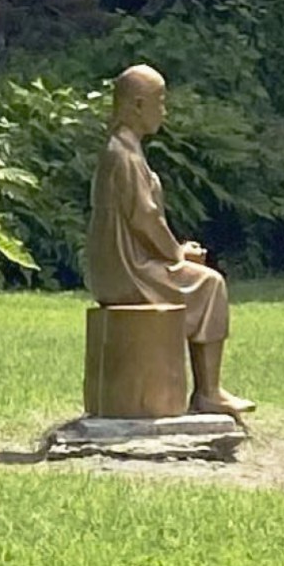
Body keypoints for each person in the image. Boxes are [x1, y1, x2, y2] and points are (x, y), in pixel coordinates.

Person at [85, 64, 255, 419]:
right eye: (159, 101)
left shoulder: (121, 150)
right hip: (130, 271)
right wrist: (179, 256)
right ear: (137, 105)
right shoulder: (123, 155)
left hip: (120, 267)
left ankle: (208, 391)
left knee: (203, 282)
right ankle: (209, 392)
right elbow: (146, 220)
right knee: (210, 285)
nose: (164, 111)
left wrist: (175, 256)